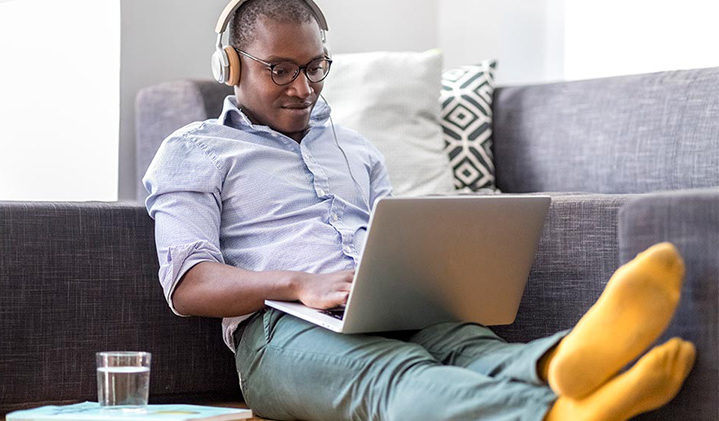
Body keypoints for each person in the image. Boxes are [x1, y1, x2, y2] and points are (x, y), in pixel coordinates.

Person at [143, 1, 696, 419]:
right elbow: (188, 285)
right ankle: (555, 411)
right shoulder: (194, 150)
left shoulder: (356, 149)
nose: (303, 88)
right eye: (281, 70)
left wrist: (430, 277)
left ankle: (563, 363)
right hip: (281, 332)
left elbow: (395, 239)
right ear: (231, 65)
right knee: (392, 374)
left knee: (469, 344)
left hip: (391, 310)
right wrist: (299, 283)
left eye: (316, 68)